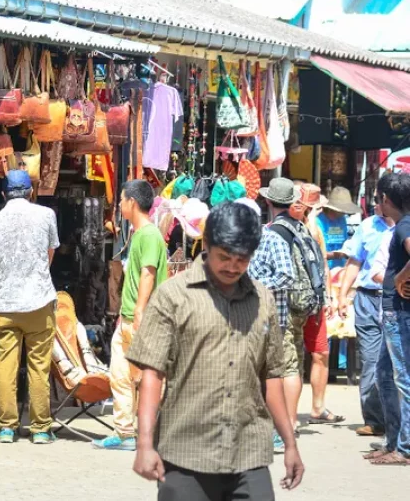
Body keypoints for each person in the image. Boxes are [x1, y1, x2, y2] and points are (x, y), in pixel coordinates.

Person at [130, 202, 303, 499]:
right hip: (185, 453)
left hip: (248, 453)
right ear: (207, 244)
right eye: (225, 257)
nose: (233, 267)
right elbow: (152, 374)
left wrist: (290, 445)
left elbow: (271, 377)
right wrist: (145, 445)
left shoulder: (263, 301)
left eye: (242, 259)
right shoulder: (173, 296)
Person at [0, 170, 59, 445]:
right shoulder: (46, 215)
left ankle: (6, 428)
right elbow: (50, 253)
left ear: (3, 195)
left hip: (5, 302)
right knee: (39, 365)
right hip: (38, 299)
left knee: (5, 364)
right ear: (31, 192)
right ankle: (40, 429)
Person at [94, 179, 168, 451]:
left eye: (122, 200)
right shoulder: (140, 234)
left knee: (144, 378)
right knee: (121, 375)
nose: (120, 205)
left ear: (132, 203)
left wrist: (139, 310)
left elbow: (148, 273)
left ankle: (150, 435)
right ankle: (125, 433)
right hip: (127, 318)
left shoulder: (148, 235)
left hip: (141, 318)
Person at [337, 177, 394, 438]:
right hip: (368, 299)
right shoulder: (367, 227)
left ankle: (398, 421)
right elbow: (354, 262)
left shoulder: (405, 227)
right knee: (370, 360)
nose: (376, 204)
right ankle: (374, 419)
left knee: (397, 362)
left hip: (397, 300)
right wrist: (342, 296)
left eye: (379, 199)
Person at [248, 177, 297, 452]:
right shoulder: (248, 243)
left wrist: (256, 287)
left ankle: (277, 432)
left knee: (270, 378)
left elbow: (286, 276)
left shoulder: (273, 239)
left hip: (272, 322)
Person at [370, 171, 410, 465]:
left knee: (403, 379)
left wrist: (400, 276)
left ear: (385, 199)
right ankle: (394, 440)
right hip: (391, 312)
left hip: (398, 312)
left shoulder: (403, 227)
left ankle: (405, 449)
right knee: (384, 376)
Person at [295, 185, 345, 426]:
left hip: (314, 299)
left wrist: (328, 297)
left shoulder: (316, 230)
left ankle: (318, 407)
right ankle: (289, 414)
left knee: (321, 352)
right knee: (291, 357)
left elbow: (323, 264)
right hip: (292, 300)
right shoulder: (284, 227)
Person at [317, 186, 359, 269]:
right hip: (323, 269)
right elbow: (316, 253)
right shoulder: (318, 220)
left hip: (339, 268)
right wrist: (335, 255)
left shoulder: (342, 219)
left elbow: (344, 242)